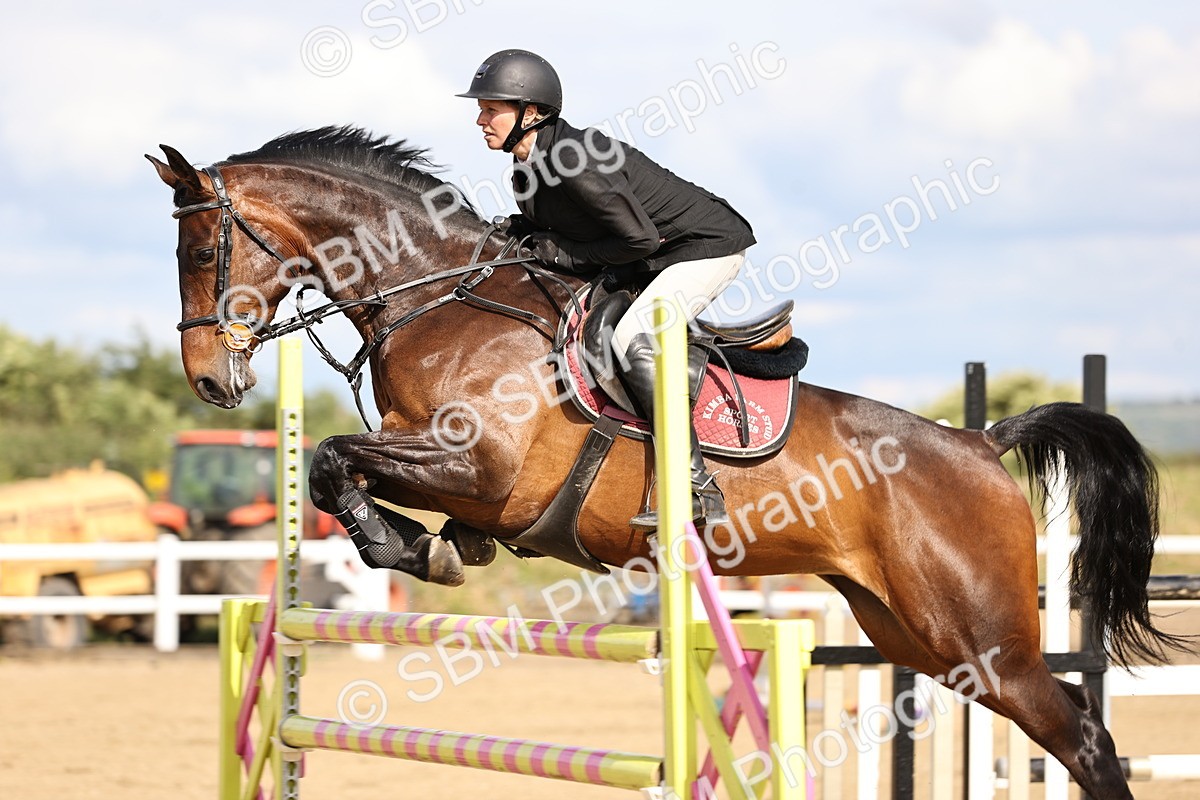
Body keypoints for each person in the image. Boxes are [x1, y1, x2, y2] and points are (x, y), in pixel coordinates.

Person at [458, 49, 756, 529]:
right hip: (650, 255)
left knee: (629, 336)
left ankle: (696, 487)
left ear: (531, 113)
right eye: (482, 108)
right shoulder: (529, 164)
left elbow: (639, 239)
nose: (480, 119)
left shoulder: (572, 159)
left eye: (492, 109)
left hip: (704, 249)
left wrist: (562, 254)